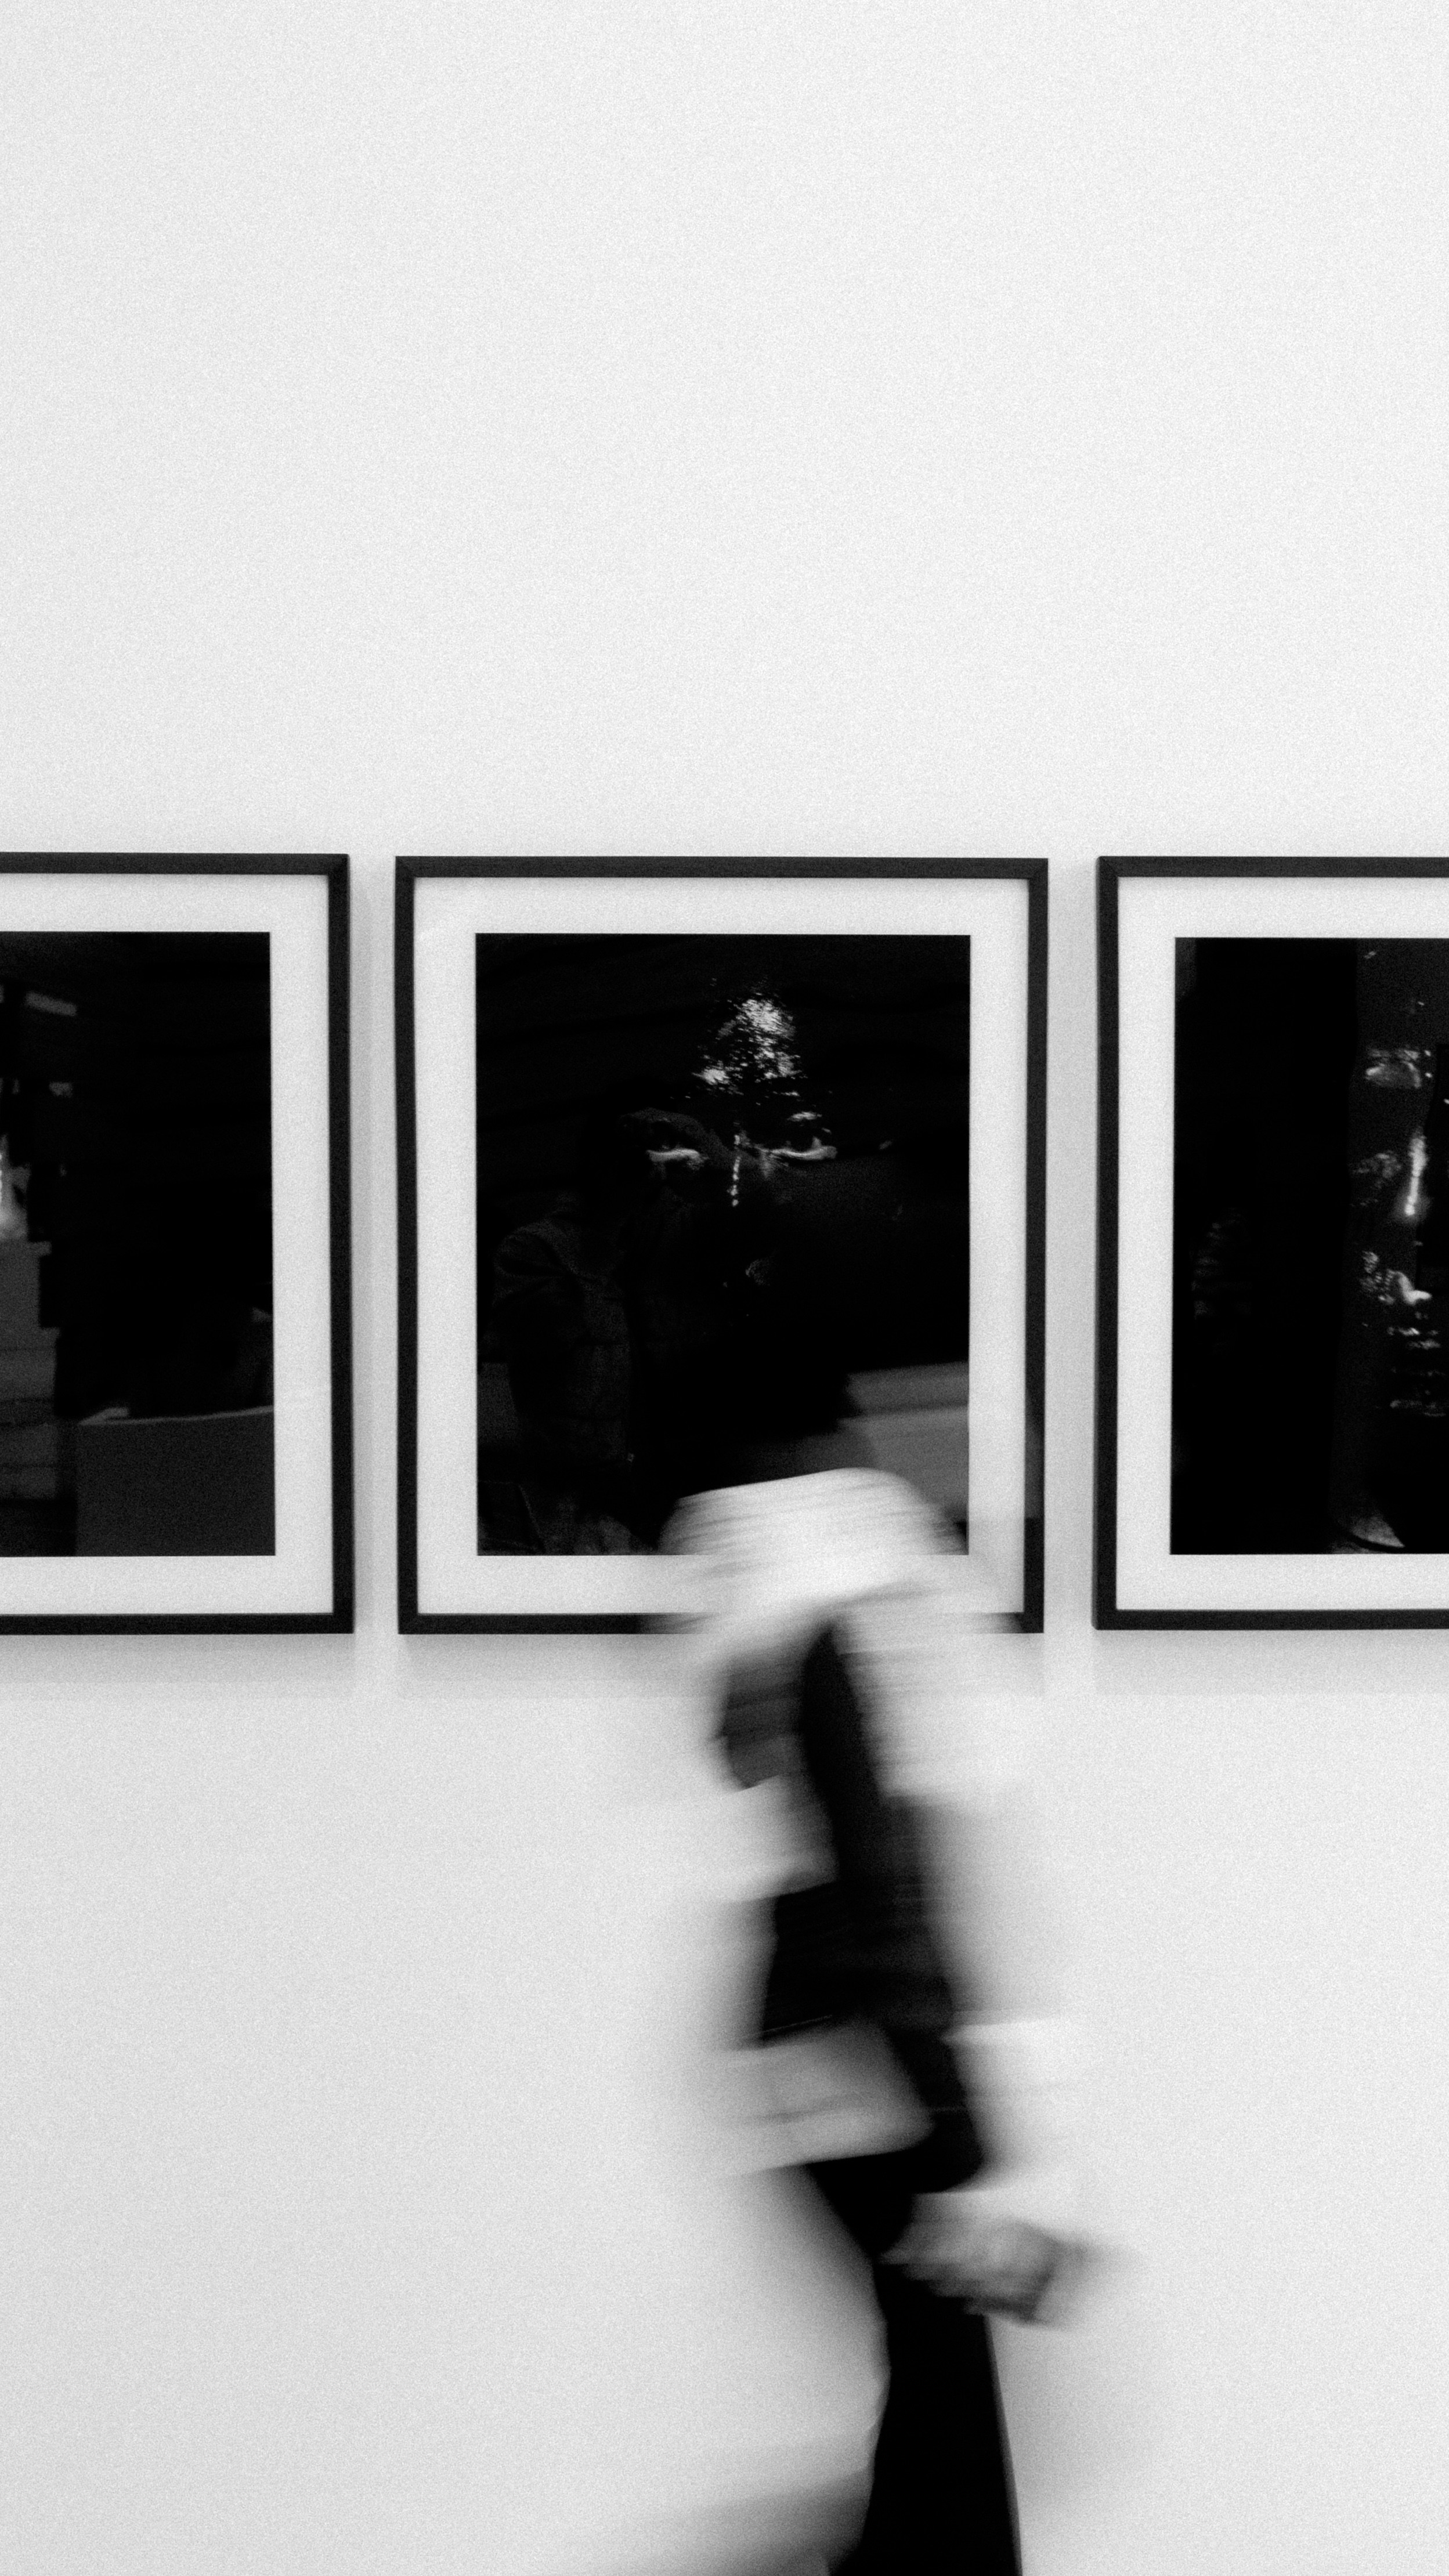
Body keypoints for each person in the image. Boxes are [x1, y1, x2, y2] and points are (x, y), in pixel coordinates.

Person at [666, 1293, 1082, 2574]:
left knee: (936, 2399)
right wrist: (963, 2135)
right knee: (946, 2422)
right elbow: (881, 1878)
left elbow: (774, 1789)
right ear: (826, 1426)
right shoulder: (846, 1587)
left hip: (821, 2042)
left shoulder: (783, 1580)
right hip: (871, 2052)